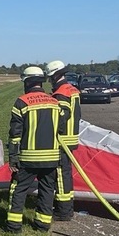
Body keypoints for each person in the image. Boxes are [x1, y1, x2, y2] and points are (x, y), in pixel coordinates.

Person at [5, 66, 66, 234]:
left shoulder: (22, 102)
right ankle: (42, 225)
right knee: (47, 190)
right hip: (52, 158)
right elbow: (61, 128)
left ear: (28, 82)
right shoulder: (55, 102)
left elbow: (15, 134)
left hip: (28, 158)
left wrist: (13, 157)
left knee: (18, 190)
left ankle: (14, 226)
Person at [45, 60, 81, 221]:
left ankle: (63, 211)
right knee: (65, 174)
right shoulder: (72, 89)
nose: (49, 80)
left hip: (62, 140)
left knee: (61, 175)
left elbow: (62, 116)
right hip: (71, 138)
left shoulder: (62, 92)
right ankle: (67, 207)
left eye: (50, 77)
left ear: (56, 76)